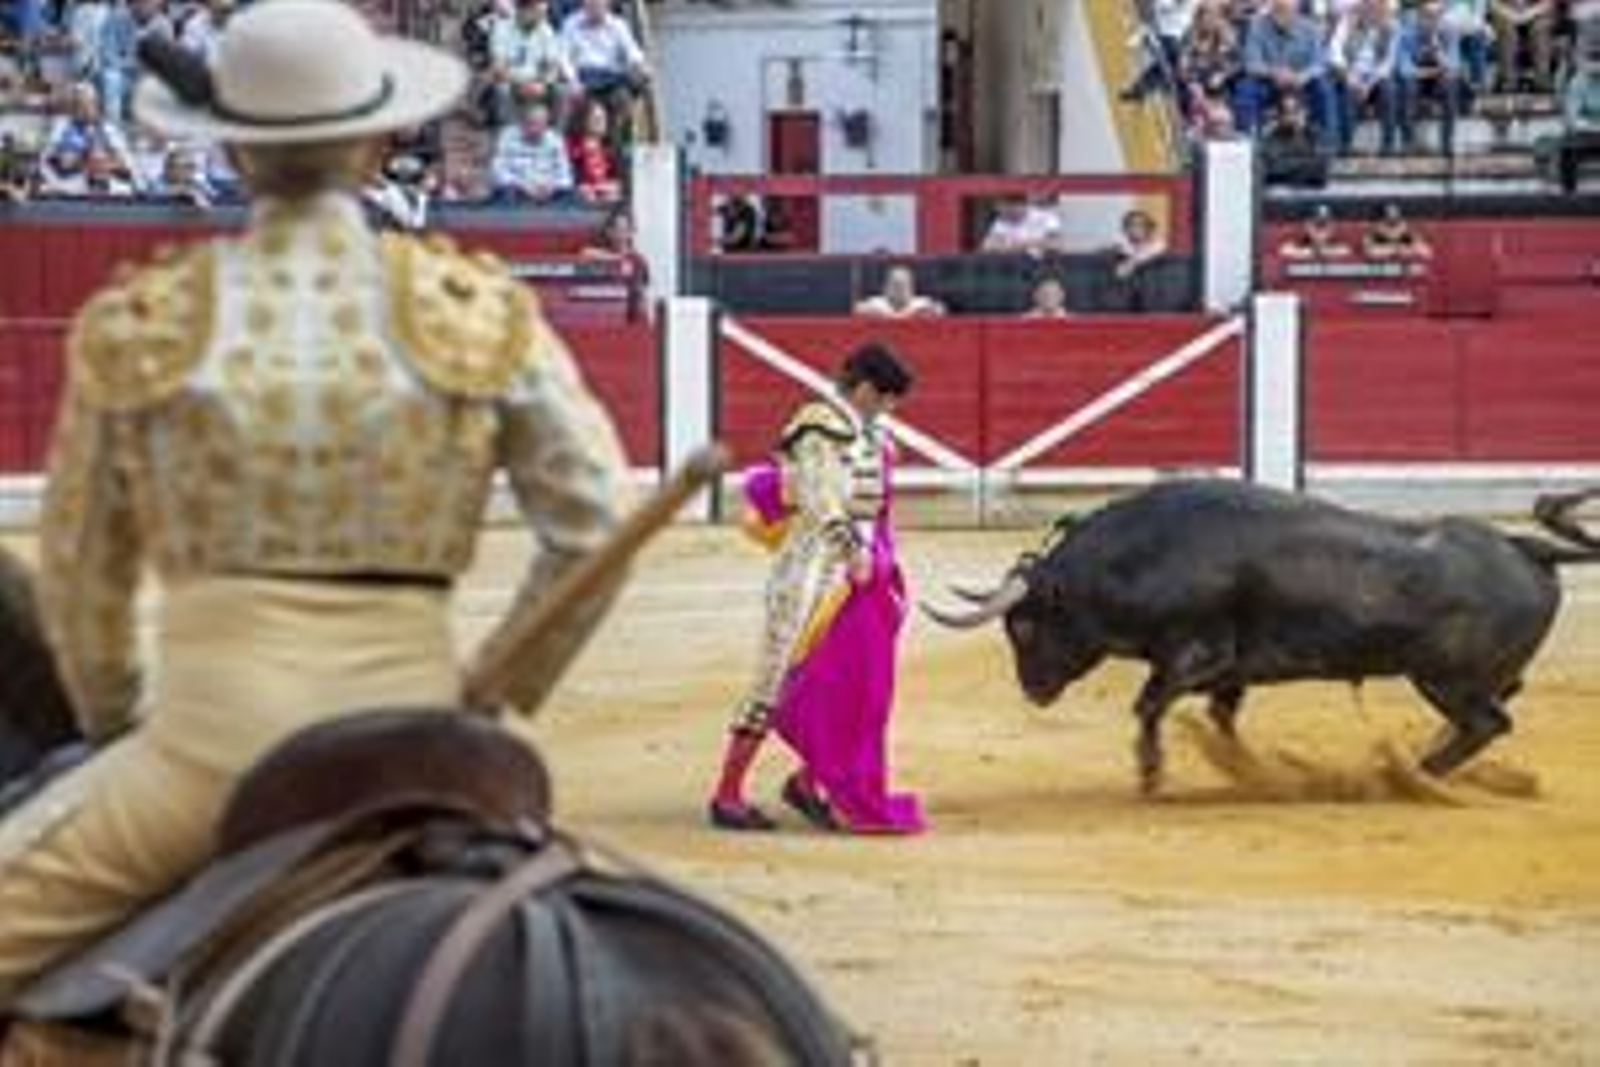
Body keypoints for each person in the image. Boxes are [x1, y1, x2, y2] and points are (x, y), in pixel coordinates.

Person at [0, 0, 629, 998]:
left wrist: (120, 721)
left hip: (208, 753)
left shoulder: (146, 322)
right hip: (425, 749)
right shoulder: (471, 308)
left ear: (234, 152)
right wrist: (492, 692)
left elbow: (82, 588)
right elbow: (593, 519)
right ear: (378, 143)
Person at [709, 344, 925, 835]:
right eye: (887, 399)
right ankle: (726, 794)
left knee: (851, 683)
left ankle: (809, 782)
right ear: (866, 388)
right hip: (812, 574)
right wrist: (853, 551)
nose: (889, 410)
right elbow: (822, 499)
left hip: (856, 576)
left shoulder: (866, 431)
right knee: (776, 677)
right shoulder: (818, 428)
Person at [854, 263, 945, 318]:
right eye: (895, 285)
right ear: (886, 287)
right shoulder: (877, 303)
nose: (899, 290)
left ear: (911, 287)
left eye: (903, 285)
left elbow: (941, 309)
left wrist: (928, 312)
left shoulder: (921, 304)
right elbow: (858, 309)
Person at [1362, 201, 1434, 259]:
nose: (1392, 220)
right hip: (1384, 249)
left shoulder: (1404, 228)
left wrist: (1409, 248)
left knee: (1421, 249)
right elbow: (1367, 247)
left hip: (1402, 249)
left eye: (1395, 217)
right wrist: (1391, 250)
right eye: (1389, 217)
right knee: (1372, 252)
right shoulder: (1375, 229)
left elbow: (1425, 250)